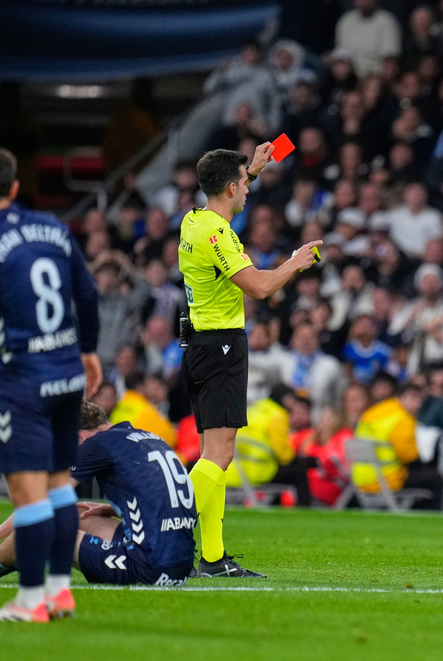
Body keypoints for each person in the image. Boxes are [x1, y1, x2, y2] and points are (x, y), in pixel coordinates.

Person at [0, 146, 102, 622]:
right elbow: (87, 291)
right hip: (68, 372)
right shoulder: (53, 227)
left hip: (24, 380)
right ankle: (58, 593)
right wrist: (89, 349)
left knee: (29, 495)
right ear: (14, 188)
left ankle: (30, 601)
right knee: (58, 488)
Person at [178, 145, 321, 578]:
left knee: (212, 453)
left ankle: (214, 557)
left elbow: (226, 208)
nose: (248, 192)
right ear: (230, 187)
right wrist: (296, 263)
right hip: (220, 347)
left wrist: (252, 171)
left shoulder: (194, 219)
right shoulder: (217, 234)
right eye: (244, 183)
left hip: (201, 344)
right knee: (219, 456)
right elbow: (258, 287)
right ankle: (156, 524)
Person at [0, 401, 195, 592]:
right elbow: (169, 498)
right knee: (75, 512)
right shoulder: (143, 436)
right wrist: (113, 511)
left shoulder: (95, 445)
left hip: (147, 568)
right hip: (178, 566)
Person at [352, 383, 443, 510]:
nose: (417, 404)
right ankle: (431, 519)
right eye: (413, 398)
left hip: (361, 478)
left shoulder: (375, 411)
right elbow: (409, 456)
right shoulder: (402, 419)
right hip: (386, 478)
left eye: (419, 399)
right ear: (401, 397)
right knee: (436, 478)